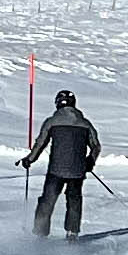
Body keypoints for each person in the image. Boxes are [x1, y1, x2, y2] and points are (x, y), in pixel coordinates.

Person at [21, 88, 101, 237]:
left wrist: (29, 159)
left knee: (47, 200)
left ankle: (40, 232)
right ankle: (72, 233)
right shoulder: (85, 123)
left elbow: (40, 144)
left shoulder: (52, 122)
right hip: (78, 170)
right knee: (74, 200)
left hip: (56, 170)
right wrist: (90, 161)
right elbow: (96, 146)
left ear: (58, 103)